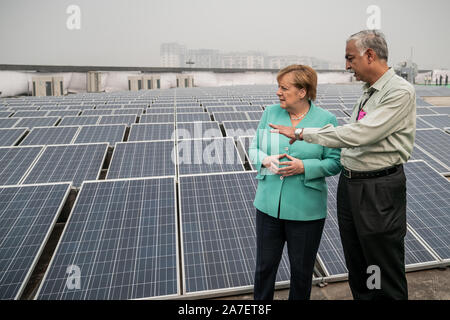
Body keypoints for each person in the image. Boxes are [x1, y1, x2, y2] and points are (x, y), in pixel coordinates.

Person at [270, 30, 416, 300]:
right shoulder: (368, 93)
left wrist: (302, 133)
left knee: (380, 265)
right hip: (352, 186)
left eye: (350, 58)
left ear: (370, 55)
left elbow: (360, 133)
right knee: (359, 264)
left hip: (377, 189)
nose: (347, 65)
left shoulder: (399, 92)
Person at [249, 64, 341, 300]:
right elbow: (254, 148)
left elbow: (335, 162)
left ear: (302, 91)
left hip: (306, 212)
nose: (278, 92)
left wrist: (304, 167)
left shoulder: (326, 120)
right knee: (264, 268)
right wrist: (265, 159)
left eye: (284, 88)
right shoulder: (270, 113)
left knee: (301, 273)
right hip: (268, 206)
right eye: (278, 87)